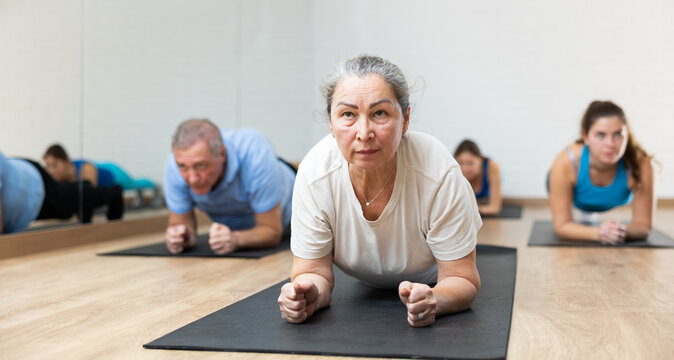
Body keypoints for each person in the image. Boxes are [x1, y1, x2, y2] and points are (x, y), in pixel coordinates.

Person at [277, 55, 482, 328]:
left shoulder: (437, 171)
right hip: (363, 279)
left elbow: (462, 279)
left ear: (405, 120)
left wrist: (436, 298)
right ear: (330, 122)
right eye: (348, 114)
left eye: (380, 113)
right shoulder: (315, 174)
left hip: (430, 274)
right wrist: (306, 293)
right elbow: (314, 273)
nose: (364, 132)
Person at [163, 119, 296, 255]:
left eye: (201, 165)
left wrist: (236, 239)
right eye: (183, 167)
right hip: (239, 219)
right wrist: (181, 237)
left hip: (290, 207)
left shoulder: (255, 153)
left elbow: (271, 231)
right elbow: (182, 225)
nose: (192, 179)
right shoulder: (175, 164)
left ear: (222, 154)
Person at [548, 100, 655, 245]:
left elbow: (643, 227)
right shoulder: (566, 162)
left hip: (610, 197)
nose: (610, 144)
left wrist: (617, 231)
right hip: (577, 195)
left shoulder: (641, 165)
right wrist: (599, 233)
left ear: (627, 136)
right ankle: (587, 210)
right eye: (600, 135)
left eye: (618, 135)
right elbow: (561, 226)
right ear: (585, 137)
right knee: (554, 178)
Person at [0, 150, 122, 233]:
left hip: (34, 183)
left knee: (70, 201)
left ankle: (113, 192)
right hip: (20, 183)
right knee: (70, 195)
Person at [454, 139, 502, 215]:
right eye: (461, 163)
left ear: (481, 160)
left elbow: (494, 208)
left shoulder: (492, 167)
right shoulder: (451, 168)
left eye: (470, 163)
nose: (465, 168)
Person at [43, 144, 115, 187]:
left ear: (67, 161)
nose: (50, 171)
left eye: (54, 165)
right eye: (47, 166)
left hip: (116, 175)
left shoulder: (85, 168)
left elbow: (90, 194)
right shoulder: (59, 179)